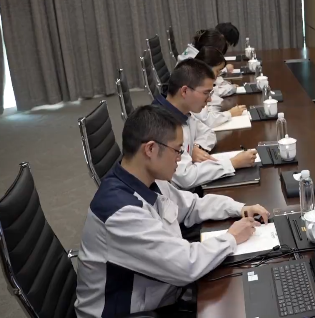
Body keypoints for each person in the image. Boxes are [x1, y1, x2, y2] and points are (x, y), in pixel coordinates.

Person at [75, 105, 269, 318]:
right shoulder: (121, 213)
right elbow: (186, 266)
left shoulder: (147, 178)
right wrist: (231, 238)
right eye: (177, 150)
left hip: (157, 290)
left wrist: (239, 208)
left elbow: (191, 206)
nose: (181, 158)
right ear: (150, 149)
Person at [152, 59, 257, 189]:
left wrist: (195, 147)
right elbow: (186, 177)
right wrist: (232, 163)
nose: (210, 99)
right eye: (206, 93)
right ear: (184, 91)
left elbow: (208, 132)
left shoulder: (183, 112)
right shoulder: (162, 125)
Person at [194, 47, 245, 128]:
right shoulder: (195, 87)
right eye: (217, 71)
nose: (218, 74)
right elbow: (207, 120)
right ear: (206, 68)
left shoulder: (201, 83)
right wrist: (230, 113)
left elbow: (215, 96)